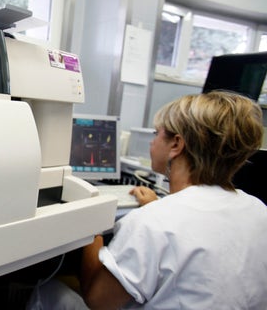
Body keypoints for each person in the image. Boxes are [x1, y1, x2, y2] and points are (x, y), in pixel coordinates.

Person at [28, 91, 267, 309]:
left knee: (48, 290)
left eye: (157, 133)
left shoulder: (154, 222)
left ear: (176, 144)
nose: (153, 142)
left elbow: (98, 300)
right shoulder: (258, 210)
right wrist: (157, 207)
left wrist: (93, 225)